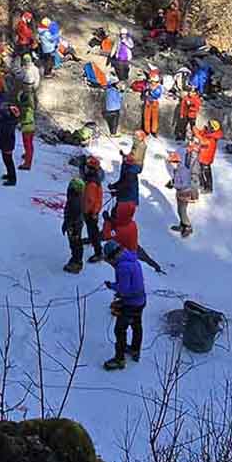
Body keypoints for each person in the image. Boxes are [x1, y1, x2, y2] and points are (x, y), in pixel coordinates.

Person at [101, 242, 146, 370]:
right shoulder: (131, 258)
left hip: (131, 303)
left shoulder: (122, 267)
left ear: (112, 257)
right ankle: (135, 350)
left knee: (120, 329)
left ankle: (119, 359)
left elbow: (124, 290)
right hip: (141, 300)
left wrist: (113, 287)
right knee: (137, 325)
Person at [62, 175, 89, 273]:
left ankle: (77, 262)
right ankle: (75, 259)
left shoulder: (75, 201)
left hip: (74, 226)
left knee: (75, 244)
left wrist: (67, 225)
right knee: (74, 244)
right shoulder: (75, 199)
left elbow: (73, 216)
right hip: (75, 225)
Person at [81, 157, 107, 261]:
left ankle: (98, 252)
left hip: (91, 212)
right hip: (94, 211)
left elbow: (90, 200)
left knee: (93, 231)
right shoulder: (95, 179)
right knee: (92, 230)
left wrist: (85, 211)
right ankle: (95, 245)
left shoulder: (91, 183)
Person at [169, 149, 197, 238]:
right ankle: (182, 226)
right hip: (179, 192)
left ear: (176, 161)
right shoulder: (177, 169)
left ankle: (188, 227)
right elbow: (177, 179)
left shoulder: (183, 170)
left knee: (182, 211)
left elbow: (184, 183)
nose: (170, 164)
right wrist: (172, 182)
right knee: (179, 210)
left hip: (185, 193)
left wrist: (174, 185)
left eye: (172, 162)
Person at [195, 120, 222, 194]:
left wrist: (195, 132)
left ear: (212, 128)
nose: (207, 126)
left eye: (209, 125)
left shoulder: (212, 138)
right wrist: (195, 129)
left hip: (206, 158)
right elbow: (201, 133)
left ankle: (207, 188)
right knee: (200, 171)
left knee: (204, 173)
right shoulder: (208, 133)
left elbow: (202, 140)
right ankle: (203, 185)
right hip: (203, 156)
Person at [0, 103, 20, 186]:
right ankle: (9, 175)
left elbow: (0, 125)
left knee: (8, 160)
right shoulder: (10, 120)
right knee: (6, 159)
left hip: (7, 143)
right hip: (6, 142)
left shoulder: (9, 122)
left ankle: (12, 179)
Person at [139, 70, 162, 136]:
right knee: (147, 117)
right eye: (151, 81)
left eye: (154, 82)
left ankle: (154, 130)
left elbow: (158, 94)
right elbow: (144, 91)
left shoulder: (159, 87)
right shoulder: (148, 85)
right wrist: (145, 91)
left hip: (154, 102)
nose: (152, 83)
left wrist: (151, 91)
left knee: (154, 117)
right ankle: (147, 130)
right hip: (148, 102)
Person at [18, 93, 37, 171]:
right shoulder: (31, 105)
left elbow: (21, 119)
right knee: (30, 144)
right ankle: (27, 155)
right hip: (32, 126)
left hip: (26, 128)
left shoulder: (24, 109)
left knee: (27, 145)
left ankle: (27, 164)